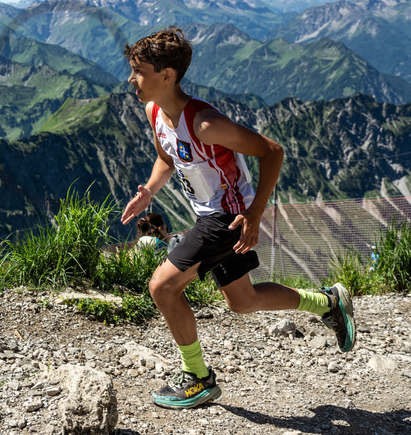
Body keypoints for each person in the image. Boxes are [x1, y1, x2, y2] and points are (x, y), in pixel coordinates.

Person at [120, 26, 356, 410]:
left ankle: (197, 377)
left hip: (227, 218)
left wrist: (254, 213)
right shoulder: (155, 112)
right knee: (243, 301)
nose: (131, 79)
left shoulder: (205, 124)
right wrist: (148, 191)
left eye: (139, 71)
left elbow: (272, 152)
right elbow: (167, 158)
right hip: (211, 216)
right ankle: (328, 303)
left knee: (162, 287)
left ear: (167, 75)